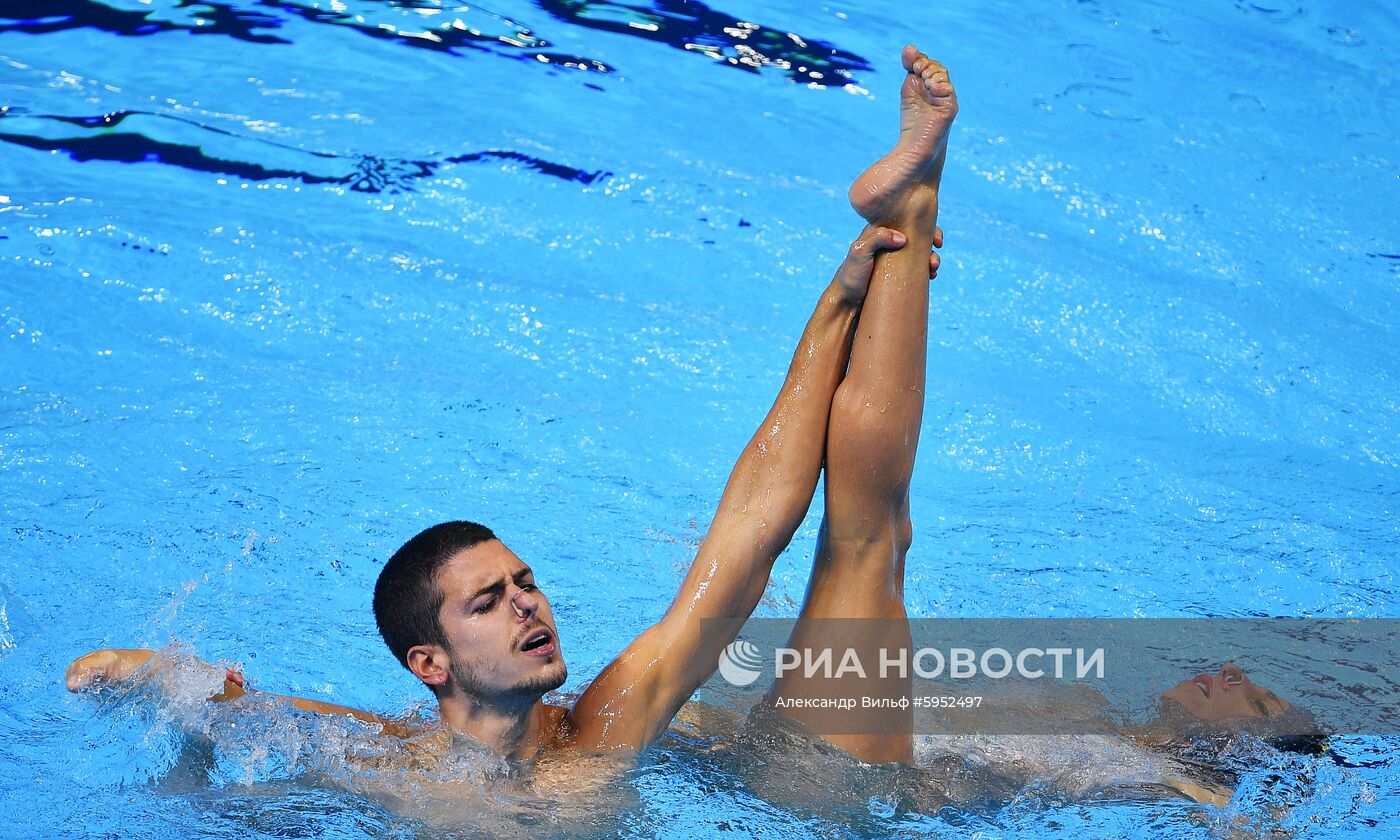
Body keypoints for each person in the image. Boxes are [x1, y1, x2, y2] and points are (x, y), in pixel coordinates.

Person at [66, 44, 960, 767]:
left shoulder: (608, 729)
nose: (529, 606)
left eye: (524, 582)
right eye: (489, 602)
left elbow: (751, 533)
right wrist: (154, 675)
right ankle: (903, 219)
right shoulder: (390, 768)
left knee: (866, 545)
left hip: (803, 791)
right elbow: (261, 712)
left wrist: (835, 305)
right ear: (429, 664)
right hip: (750, 765)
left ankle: (906, 209)